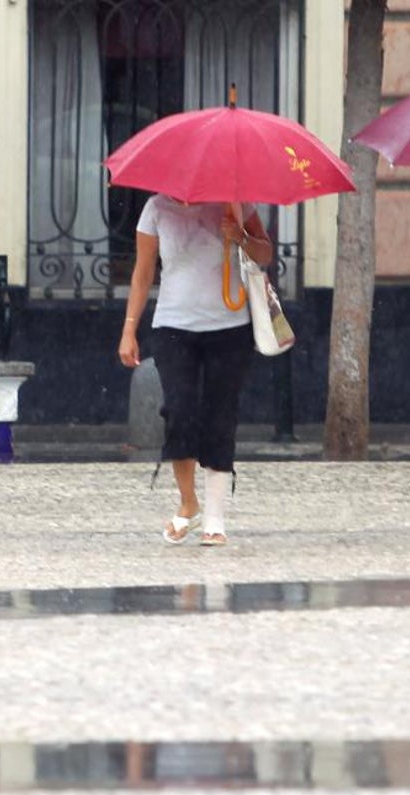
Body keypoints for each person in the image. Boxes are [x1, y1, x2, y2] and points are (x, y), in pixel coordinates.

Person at [118, 195, 273, 547]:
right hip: (173, 327)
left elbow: (265, 254)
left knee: (220, 416)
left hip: (230, 328)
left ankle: (215, 519)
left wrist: (241, 238)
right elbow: (143, 273)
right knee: (179, 411)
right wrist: (129, 330)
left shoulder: (236, 203)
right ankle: (189, 502)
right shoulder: (155, 208)